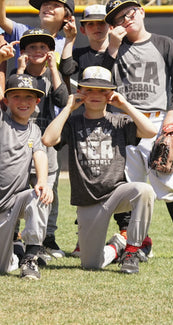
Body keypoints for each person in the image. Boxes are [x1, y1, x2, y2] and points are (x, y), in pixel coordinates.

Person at [105, 0, 173, 259]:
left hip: (156, 119)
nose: (125, 20)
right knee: (128, 184)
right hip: (123, 122)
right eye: (118, 19)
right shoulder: (114, 49)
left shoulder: (164, 43)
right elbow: (103, 81)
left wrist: (172, 116)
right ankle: (139, 240)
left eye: (129, 13)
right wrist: (112, 48)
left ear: (141, 12)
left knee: (167, 178)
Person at [41, 66, 158, 274]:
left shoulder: (119, 121)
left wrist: (125, 105)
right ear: (80, 91)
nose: (95, 95)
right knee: (91, 264)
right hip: (88, 201)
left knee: (145, 190)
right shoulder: (73, 123)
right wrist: (68, 108)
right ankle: (117, 246)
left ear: (110, 94)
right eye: (89, 89)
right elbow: (47, 140)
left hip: (116, 194)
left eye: (102, 90)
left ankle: (131, 252)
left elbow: (151, 131)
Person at [0, 42, 52, 280]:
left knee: (40, 195)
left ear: (37, 102)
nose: (23, 101)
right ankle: (16, 250)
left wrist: (42, 181)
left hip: (16, 201)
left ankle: (30, 258)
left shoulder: (34, 130)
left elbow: (40, 154)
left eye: (29, 97)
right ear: (6, 100)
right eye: (16, 96)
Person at [58, 3, 122, 258]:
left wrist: (115, 48)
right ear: (83, 28)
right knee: (87, 178)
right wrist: (69, 40)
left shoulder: (122, 51)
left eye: (102, 23)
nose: (97, 27)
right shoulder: (80, 53)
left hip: (114, 124)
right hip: (85, 124)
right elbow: (65, 70)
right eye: (91, 24)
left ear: (110, 25)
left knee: (118, 178)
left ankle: (127, 235)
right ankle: (83, 237)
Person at [11, 28, 68, 261]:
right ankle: (14, 237)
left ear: (50, 51)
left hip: (46, 144)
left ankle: (46, 238)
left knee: (47, 193)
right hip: (20, 142)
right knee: (16, 191)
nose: (37, 51)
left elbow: (63, 100)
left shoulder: (53, 74)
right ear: (23, 51)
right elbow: (9, 99)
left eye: (43, 47)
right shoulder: (17, 72)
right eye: (32, 47)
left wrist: (54, 69)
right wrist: (20, 70)